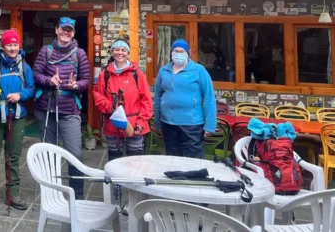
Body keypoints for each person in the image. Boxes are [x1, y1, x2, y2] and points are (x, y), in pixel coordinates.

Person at [92, 39, 152, 213]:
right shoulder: (105, 74)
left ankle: (136, 202)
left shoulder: (137, 74)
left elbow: (146, 100)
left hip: (135, 127)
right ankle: (117, 202)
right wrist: (109, 107)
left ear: (128, 52)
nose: (120, 53)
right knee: (115, 165)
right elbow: (97, 94)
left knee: (135, 165)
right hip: (114, 126)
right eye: (116, 50)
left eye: (123, 50)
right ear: (112, 52)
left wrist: (142, 121)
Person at [33, 16, 90, 199]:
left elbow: (86, 80)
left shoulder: (79, 53)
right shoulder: (45, 51)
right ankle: (51, 194)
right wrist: (49, 81)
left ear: (73, 33)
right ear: (57, 30)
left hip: (70, 110)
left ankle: (77, 197)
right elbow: (36, 74)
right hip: (47, 108)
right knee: (49, 155)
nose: (66, 32)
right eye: (63, 29)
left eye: (70, 30)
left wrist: (76, 86)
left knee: (75, 155)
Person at [0, 29, 35, 213]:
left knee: (13, 157)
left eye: (15, 44)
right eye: (9, 45)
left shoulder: (24, 67)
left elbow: (31, 88)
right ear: (2, 46)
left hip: (17, 115)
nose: (12, 48)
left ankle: (13, 194)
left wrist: (20, 95)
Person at [153, 38, 217, 158]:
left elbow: (209, 97)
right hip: (168, 124)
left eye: (182, 51)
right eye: (176, 51)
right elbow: (158, 98)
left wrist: (210, 124)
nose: (178, 54)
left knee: (193, 163)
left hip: (192, 126)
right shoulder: (163, 71)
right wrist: (158, 123)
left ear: (188, 53)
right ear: (171, 53)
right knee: (173, 161)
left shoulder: (199, 70)